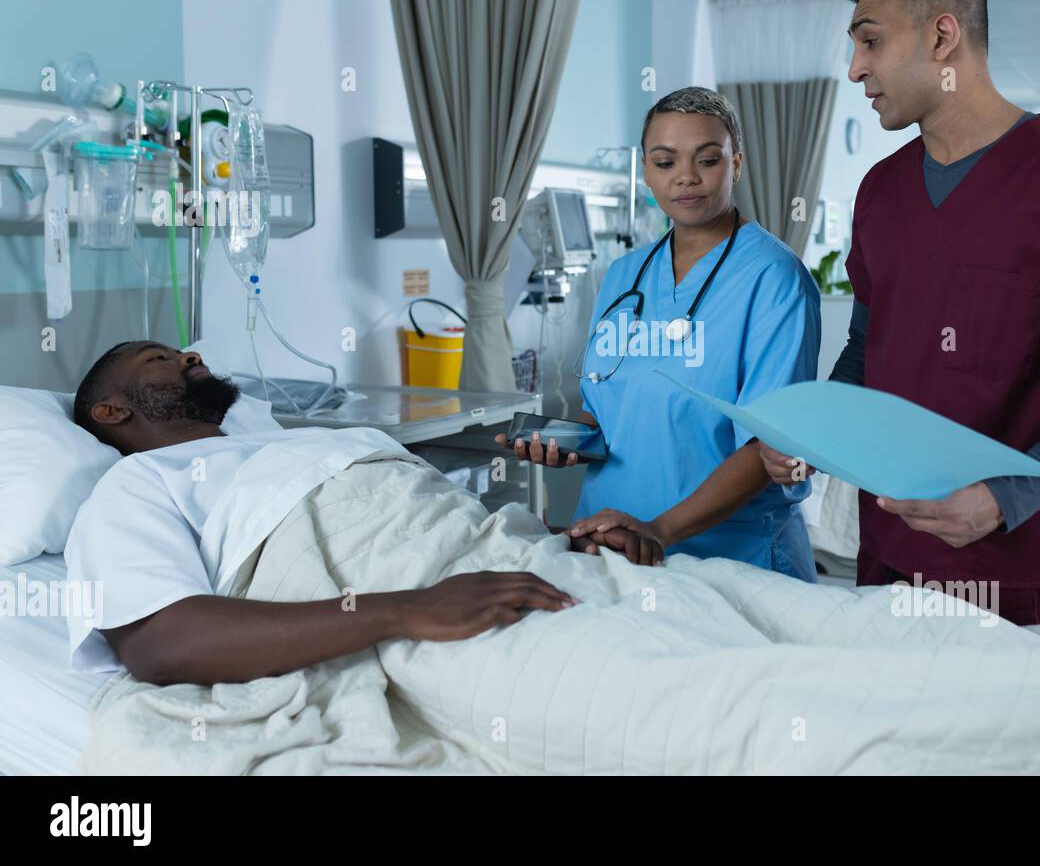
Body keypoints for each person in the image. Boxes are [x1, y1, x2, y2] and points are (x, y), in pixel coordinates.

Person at [760, 0, 1040, 625]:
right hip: (890, 536)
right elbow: (869, 350)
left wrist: (1005, 495)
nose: (855, 69)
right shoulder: (881, 190)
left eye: (869, 41)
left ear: (942, 36)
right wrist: (816, 437)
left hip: (1009, 550)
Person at [65, 341, 579, 684]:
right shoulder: (133, 485)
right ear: (112, 411)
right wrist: (411, 608)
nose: (188, 354)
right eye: (158, 358)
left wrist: (567, 536)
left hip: (520, 561)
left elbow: (436, 516)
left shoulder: (300, 442)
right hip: (431, 607)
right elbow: (160, 643)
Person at [497, 87, 822, 581]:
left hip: (731, 558)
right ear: (647, 172)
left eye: (707, 160)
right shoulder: (624, 275)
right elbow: (606, 411)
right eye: (665, 162)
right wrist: (564, 441)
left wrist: (658, 528)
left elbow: (766, 447)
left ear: (736, 164)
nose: (686, 177)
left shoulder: (774, 278)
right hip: (613, 545)